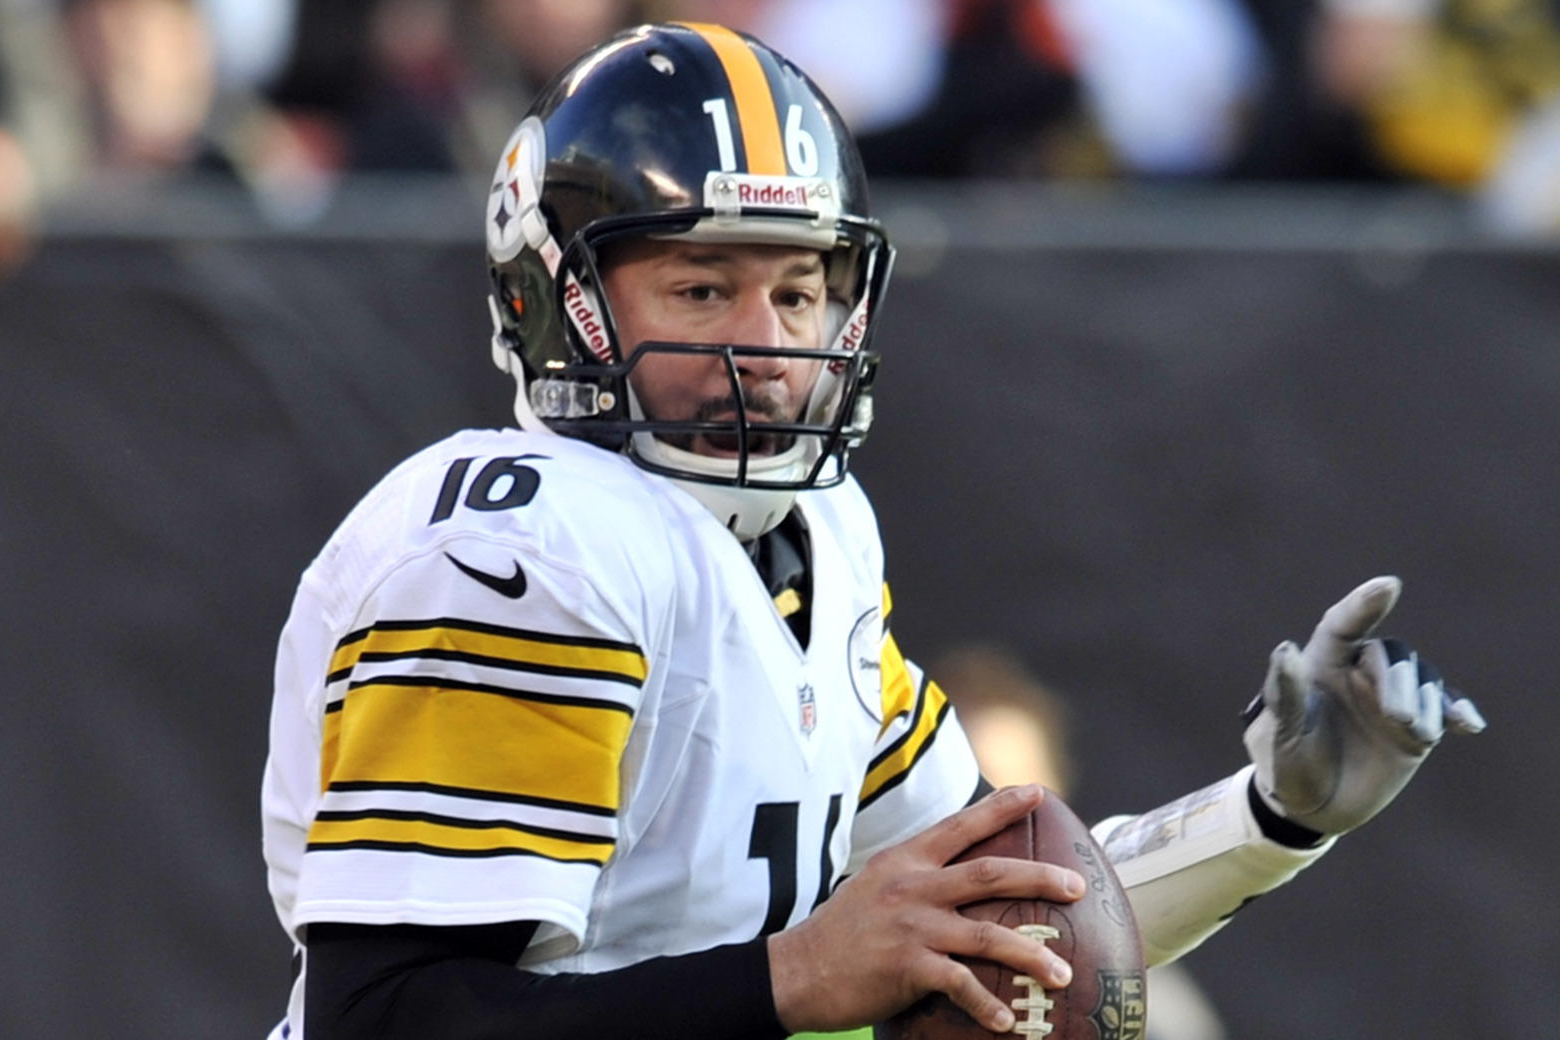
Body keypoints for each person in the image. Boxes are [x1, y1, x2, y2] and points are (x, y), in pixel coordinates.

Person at [259, 22, 1485, 1040]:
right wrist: (792, 975)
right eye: (701, 286)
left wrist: (1266, 814)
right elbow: (383, 1021)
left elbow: (1007, 912)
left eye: (797, 291)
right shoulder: (533, 550)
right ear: (555, 303)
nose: (769, 341)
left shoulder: (818, 535)